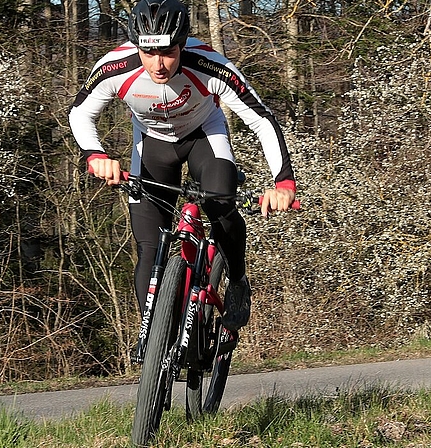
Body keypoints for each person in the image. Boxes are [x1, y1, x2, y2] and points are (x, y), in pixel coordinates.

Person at [69, 0, 296, 332]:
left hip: (204, 135)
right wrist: (96, 155)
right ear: (136, 45)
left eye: (168, 52)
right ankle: (155, 335)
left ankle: (236, 279)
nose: (158, 64)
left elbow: (262, 120)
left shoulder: (209, 65)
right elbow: (80, 113)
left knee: (220, 204)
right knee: (149, 246)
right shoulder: (115, 68)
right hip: (151, 146)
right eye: (149, 53)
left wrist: (284, 184)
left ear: (182, 43)